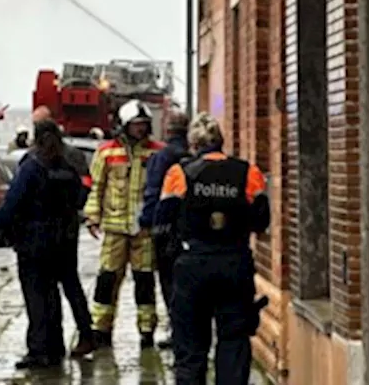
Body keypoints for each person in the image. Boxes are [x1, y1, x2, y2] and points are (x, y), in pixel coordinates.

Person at [154, 114, 270, 385]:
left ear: (193, 145)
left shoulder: (179, 174)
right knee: (234, 341)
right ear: (222, 142)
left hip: (193, 264)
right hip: (234, 263)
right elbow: (261, 220)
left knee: (191, 348)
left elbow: (162, 222)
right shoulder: (248, 172)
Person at [0, 121, 94, 369]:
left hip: (34, 241)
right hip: (64, 241)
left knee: (37, 295)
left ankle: (39, 349)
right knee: (59, 292)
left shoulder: (32, 167)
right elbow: (81, 197)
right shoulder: (67, 168)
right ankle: (58, 345)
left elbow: (12, 202)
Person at [16, 108, 96, 358]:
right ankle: (84, 333)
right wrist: (74, 210)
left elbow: (16, 200)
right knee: (71, 286)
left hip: (37, 236)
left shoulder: (32, 161)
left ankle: (45, 345)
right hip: (66, 234)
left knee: (41, 291)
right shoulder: (72, 159)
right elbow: (83, 189)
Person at [84, 100, 163, 348]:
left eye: (143, 125)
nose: (140, 129)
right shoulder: (106, 152)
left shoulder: (156, 152)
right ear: (124, 126)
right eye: (135, 125)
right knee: (107, 278)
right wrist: (92, 216)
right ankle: (101, 328)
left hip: (144, 230)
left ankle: (147, 328)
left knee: (144, 280)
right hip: (115, 228)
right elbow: (97, 187)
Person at [139, 110, 191, 350]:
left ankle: (176, 330)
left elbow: (153, 193)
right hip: (189, 229)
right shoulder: (191, 157)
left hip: (165, 230)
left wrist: (146, 222)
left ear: (167, 130)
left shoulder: (161, 158)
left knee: (169, 283)